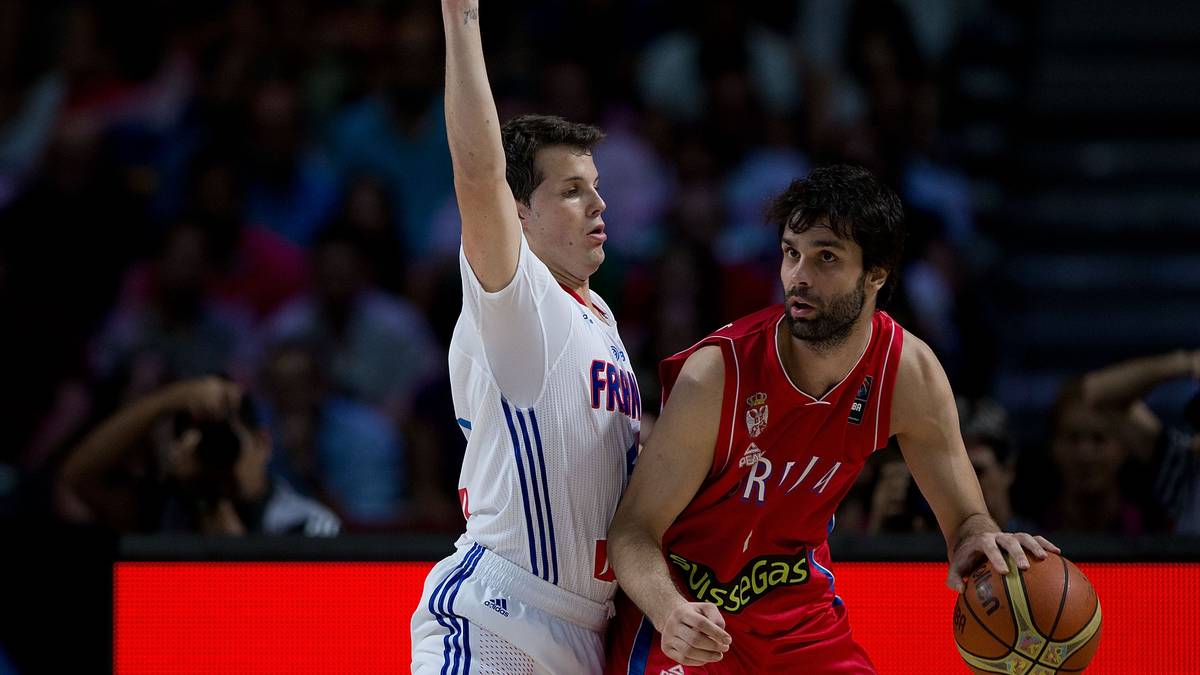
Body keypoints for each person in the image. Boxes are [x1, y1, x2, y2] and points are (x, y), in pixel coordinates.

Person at [605, 165, 1055, 673]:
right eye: (792, 253)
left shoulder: (907, 372)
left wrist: (980, 542)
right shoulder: (718, 374)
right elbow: (633, 531)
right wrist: (670, 612)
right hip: (689, 608)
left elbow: (966, 519)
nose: (799, 275)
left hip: (794, 614)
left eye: (826, 258)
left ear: (876, 274)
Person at [410, 3, 641, 673]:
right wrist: (462, 16)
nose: (599, 204)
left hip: (583, 628)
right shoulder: (521, 297)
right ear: (518, 214)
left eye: (595, 187)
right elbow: (478, 175)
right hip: (496, 617)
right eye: (572, 190)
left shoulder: (598, 313)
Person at [57, 376, 339, 536]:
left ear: (263, 444)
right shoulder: (166, 509)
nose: (214, 454)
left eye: (226, 442)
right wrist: (170, 399)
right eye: (203, 443)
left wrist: (211, 509)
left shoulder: (307, 523)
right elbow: (79, 477)